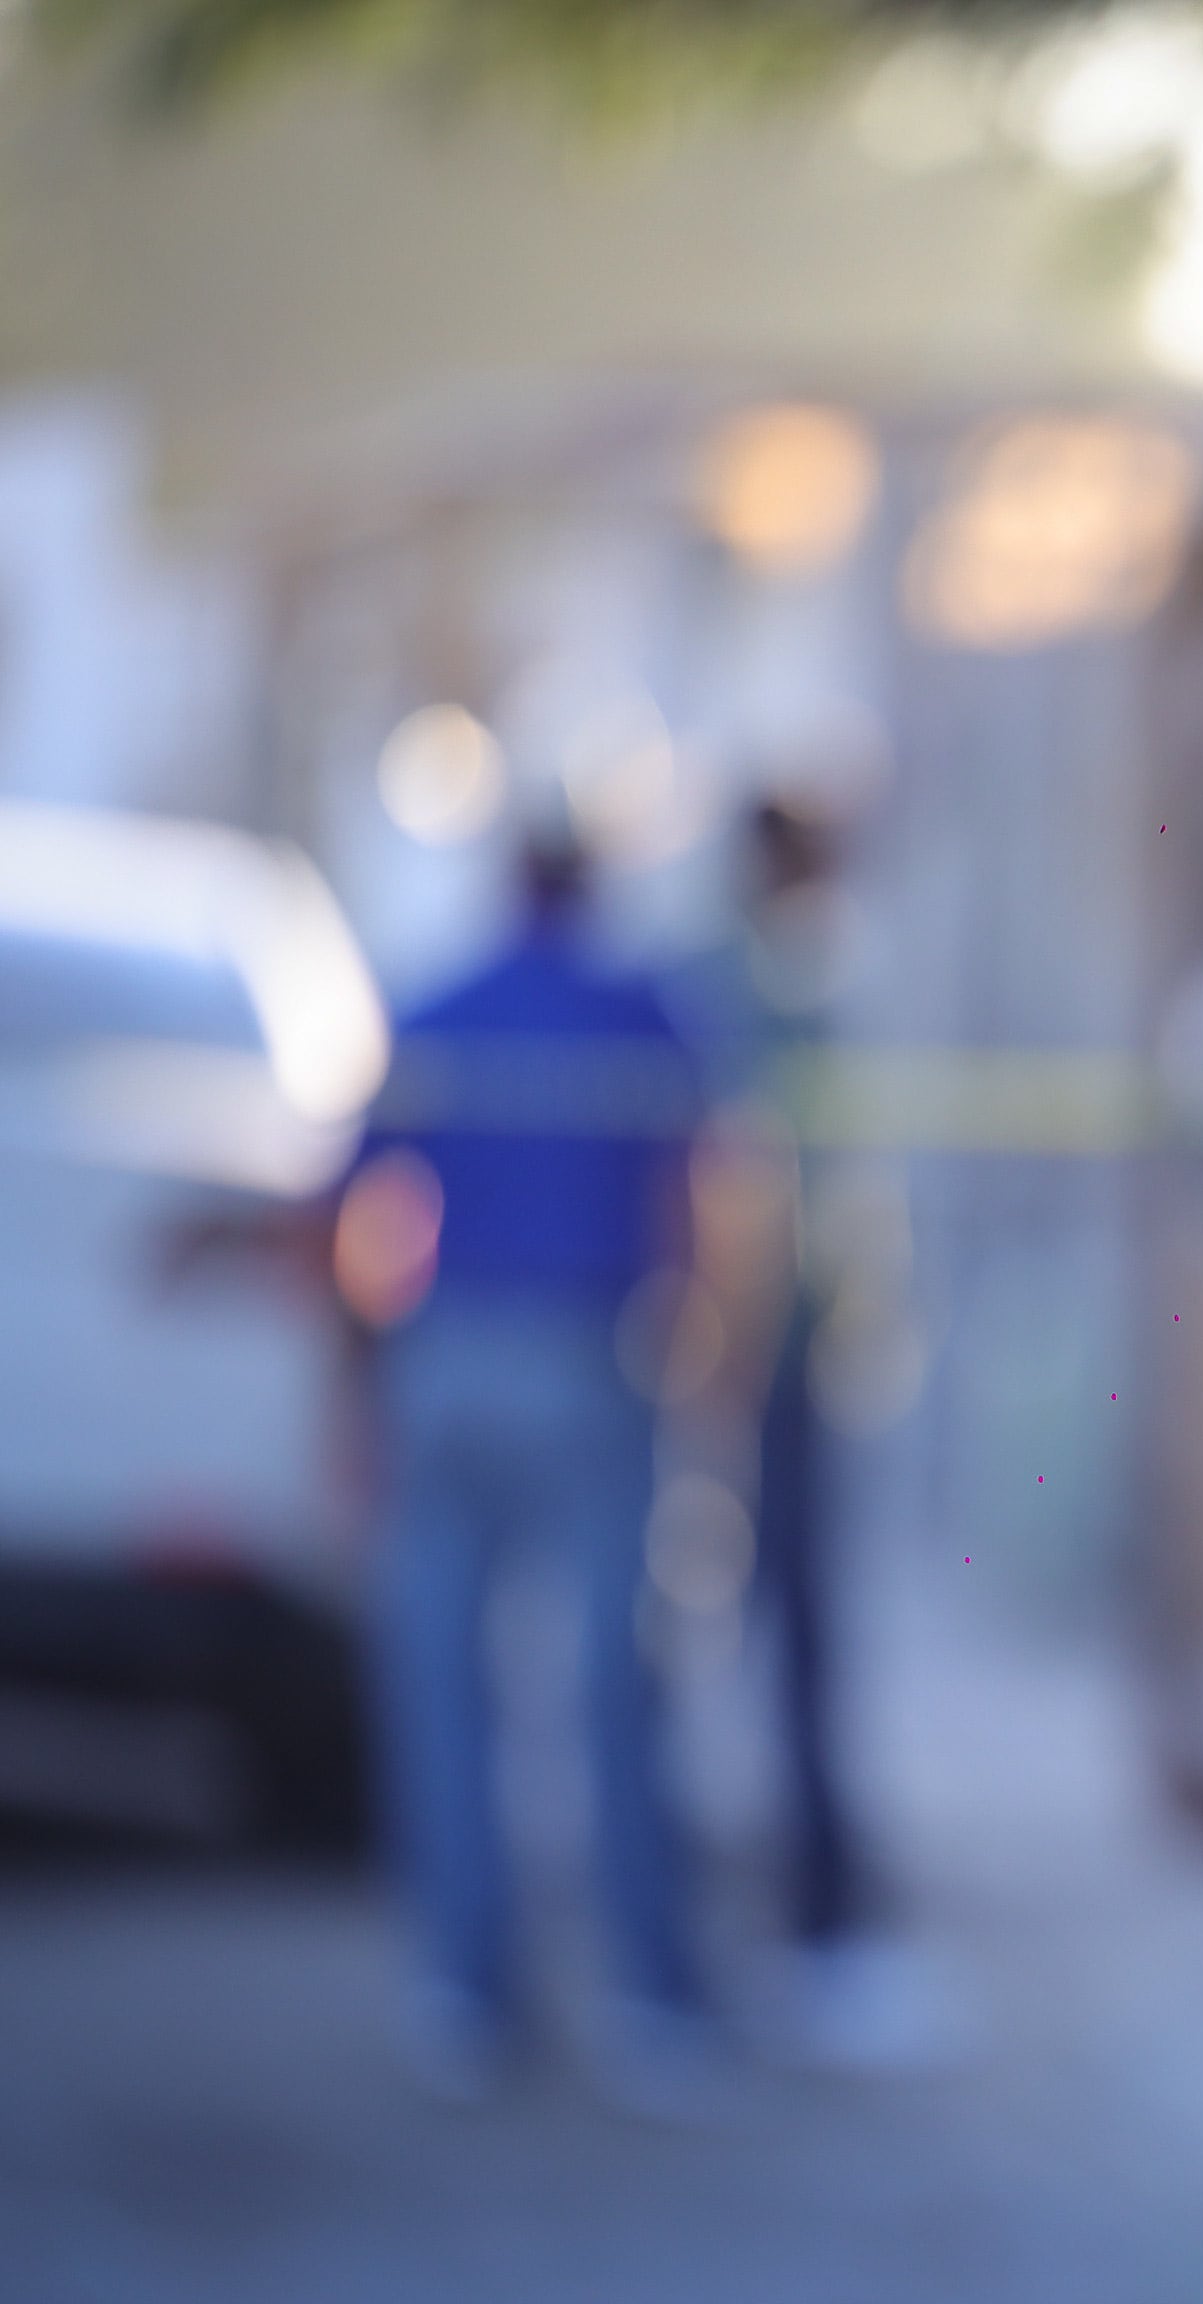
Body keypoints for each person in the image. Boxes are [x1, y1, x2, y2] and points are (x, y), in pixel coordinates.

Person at [349, 828, 714, 2110]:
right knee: (617, 1681)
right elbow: (702, 1190)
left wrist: (365, 1387)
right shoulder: (644, 1011)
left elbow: (360, 1201)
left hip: (450, 1363)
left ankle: (467, 1980)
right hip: (589, 1361)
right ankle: (647, 1990)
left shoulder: (438, 1006)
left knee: (448, 1680)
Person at [685, 792, 928, 2070]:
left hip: (782, 1362)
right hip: (745, 1366)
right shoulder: (747, 986)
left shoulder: (800, 976)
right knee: (777, 1649)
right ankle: (799, 1928)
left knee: (785, 1648)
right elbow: (753, 1188)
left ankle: (792, 1918)